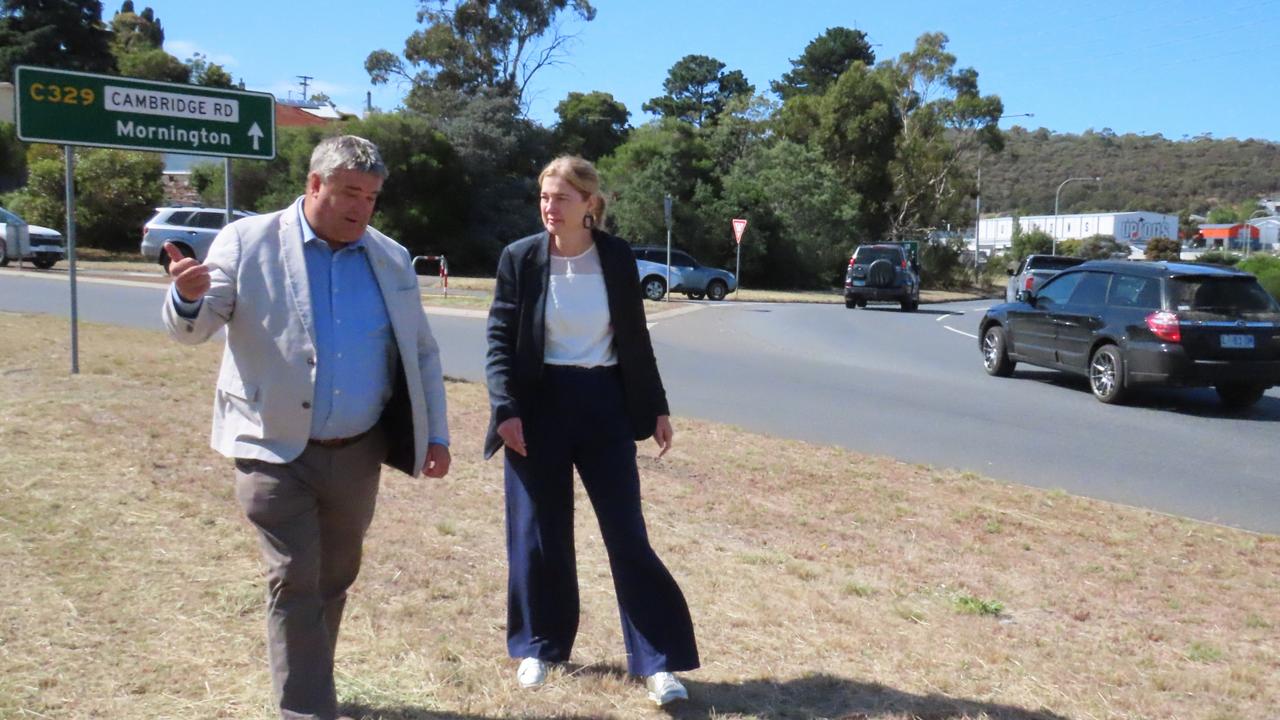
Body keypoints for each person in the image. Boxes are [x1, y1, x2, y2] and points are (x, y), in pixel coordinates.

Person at [161, 135, 451, 720]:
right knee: (295, 577)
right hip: (271, 445)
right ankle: (307, 710)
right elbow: (194, 329)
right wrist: (187, 297)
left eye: (371, 197)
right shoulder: (247, 241)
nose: (360, 208)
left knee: (335, 577)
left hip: (355, 452)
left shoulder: (389, 257)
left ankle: (311, 685)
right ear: (314, 185)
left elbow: (421, 352)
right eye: (349, 193)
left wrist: (436, 434)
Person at [484, 155, 699, 706]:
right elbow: (500, 340)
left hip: (603, 403)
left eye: (561, 198)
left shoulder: (616, 257)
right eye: (544, 198)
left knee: (626, 534)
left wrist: (656, 409)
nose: (549, 208)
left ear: (590, 205)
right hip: (538, 407)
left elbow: (635, 338)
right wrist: (505, 408)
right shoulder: (521, 258)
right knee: (539, 534)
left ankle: (657, 663)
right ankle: (540, 646)